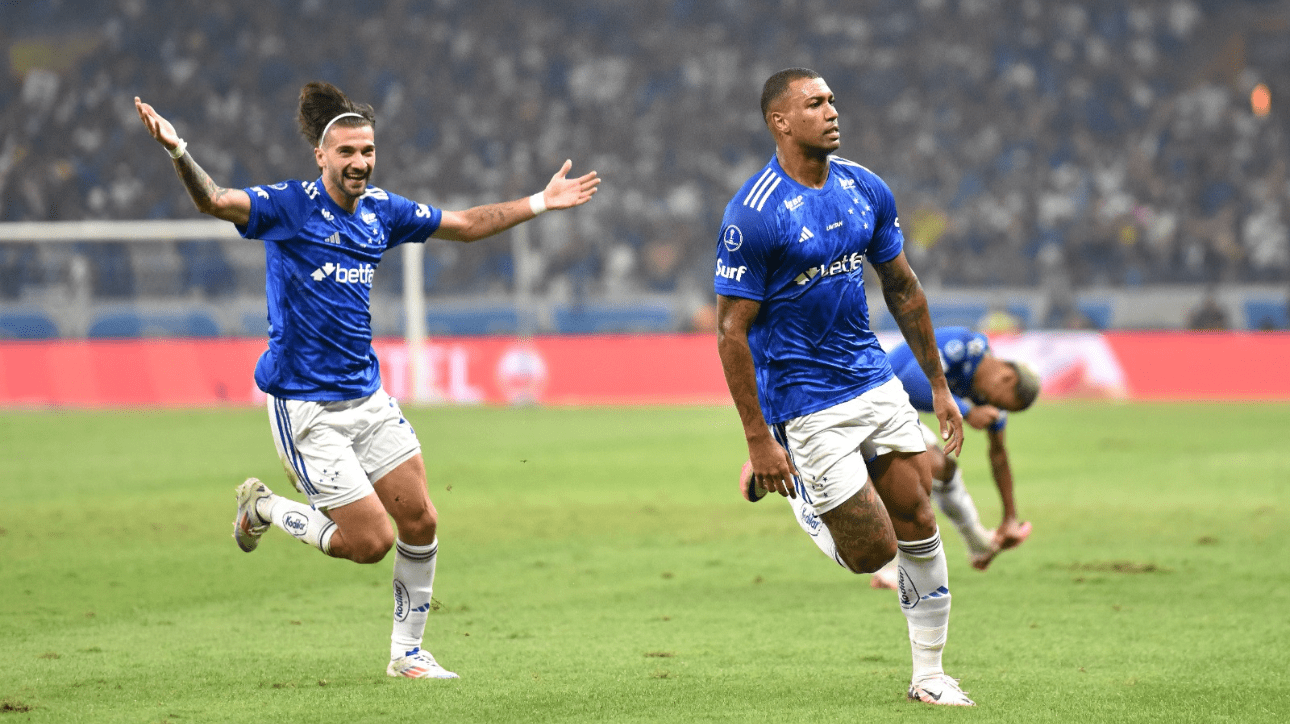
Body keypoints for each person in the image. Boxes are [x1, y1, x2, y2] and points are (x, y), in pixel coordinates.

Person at [134, 82, 598, 679]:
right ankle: (265, 506)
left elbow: (466, 224)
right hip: (306, 408)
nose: (360, 162)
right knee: (369, 543)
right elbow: (216, 201)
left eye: (368, 151)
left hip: (368, 398)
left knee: (422, 520)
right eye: (347, 152)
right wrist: (178, 150)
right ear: (321, 157)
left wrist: (540, 201)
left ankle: (407, 654)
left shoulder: (383, 211)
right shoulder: (288, 206)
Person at [717, 68, 971, 706]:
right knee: (871, 553)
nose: (832, 111)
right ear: (780, 122)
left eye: (832, 100)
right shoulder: (753, 214)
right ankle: (797, 490)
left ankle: (929, 675)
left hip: (872, 378)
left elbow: (903, 287)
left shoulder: (864, 187)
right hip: (804, 400)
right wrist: (758, 440)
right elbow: (730, 332)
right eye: (815, 103)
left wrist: (939, 386)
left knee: (918, 516)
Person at [867, 327, 1040, 591]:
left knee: (943, 468)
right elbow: (911, 381)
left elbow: (999, 455)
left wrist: (1010, 518)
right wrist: (967, 412)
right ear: (1006, 377)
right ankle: (890, 568)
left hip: (894, 411)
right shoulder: (963, 346)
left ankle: (979, 544)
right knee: (915, 474)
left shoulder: (987, 395)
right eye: (1002, 403)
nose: (997, 407)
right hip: (867, 401)